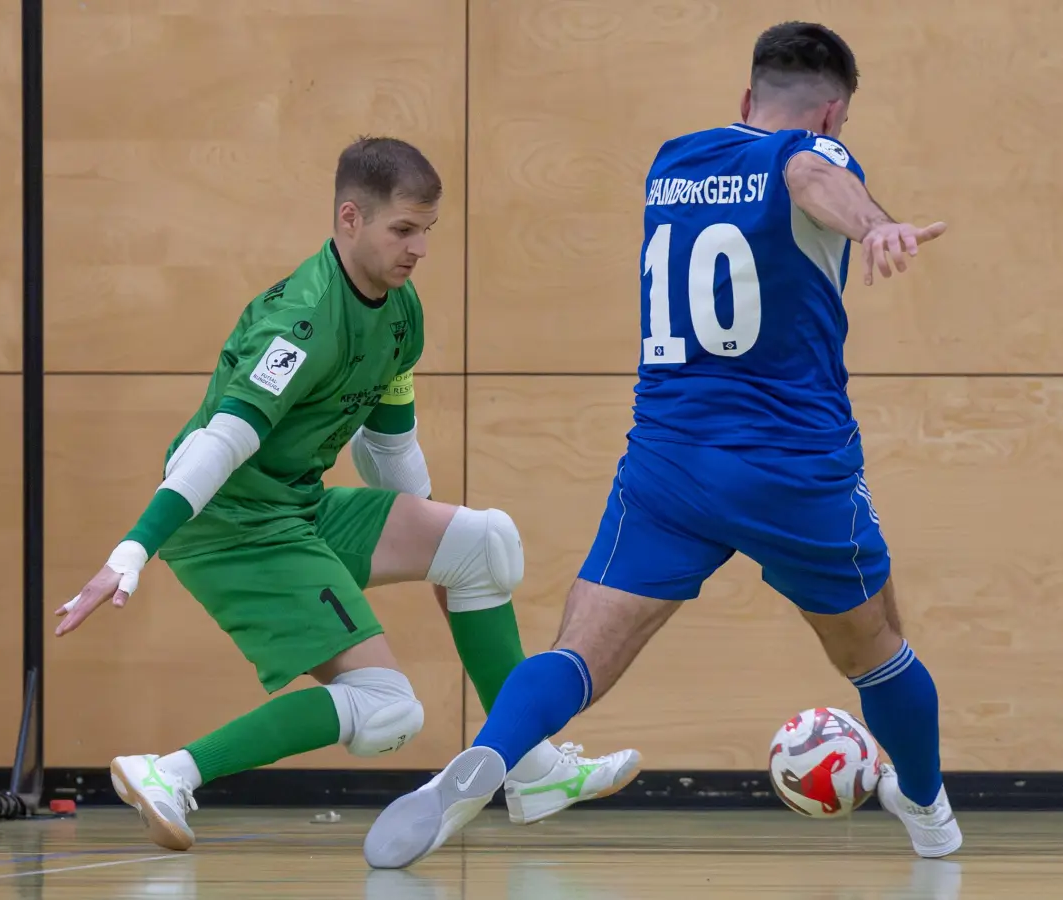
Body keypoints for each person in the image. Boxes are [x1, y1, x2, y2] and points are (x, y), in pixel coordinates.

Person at [362, 23, 959, 870]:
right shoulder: (817, 154)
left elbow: (786, 173)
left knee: (578, 656)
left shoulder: (673, 161)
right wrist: (873, 228)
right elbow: (808, 174)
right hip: (791, 466)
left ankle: (485, 762)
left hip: (668, 462)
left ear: (746, 99)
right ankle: (931, 813)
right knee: (877, 647)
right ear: (832, 113)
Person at [54, 136, 641, 853]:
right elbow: (220, 442)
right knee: (388, 711)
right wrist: (133, 547)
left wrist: (435, 545)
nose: (419, 248)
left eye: (428, 230)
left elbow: (388, 446)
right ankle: (171, 772)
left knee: (484, 542)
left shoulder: (401, 313)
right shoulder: (300, 321)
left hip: (296, 506)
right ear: (350, 219)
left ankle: (532, 770)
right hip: (233, 526)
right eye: (403, 230)